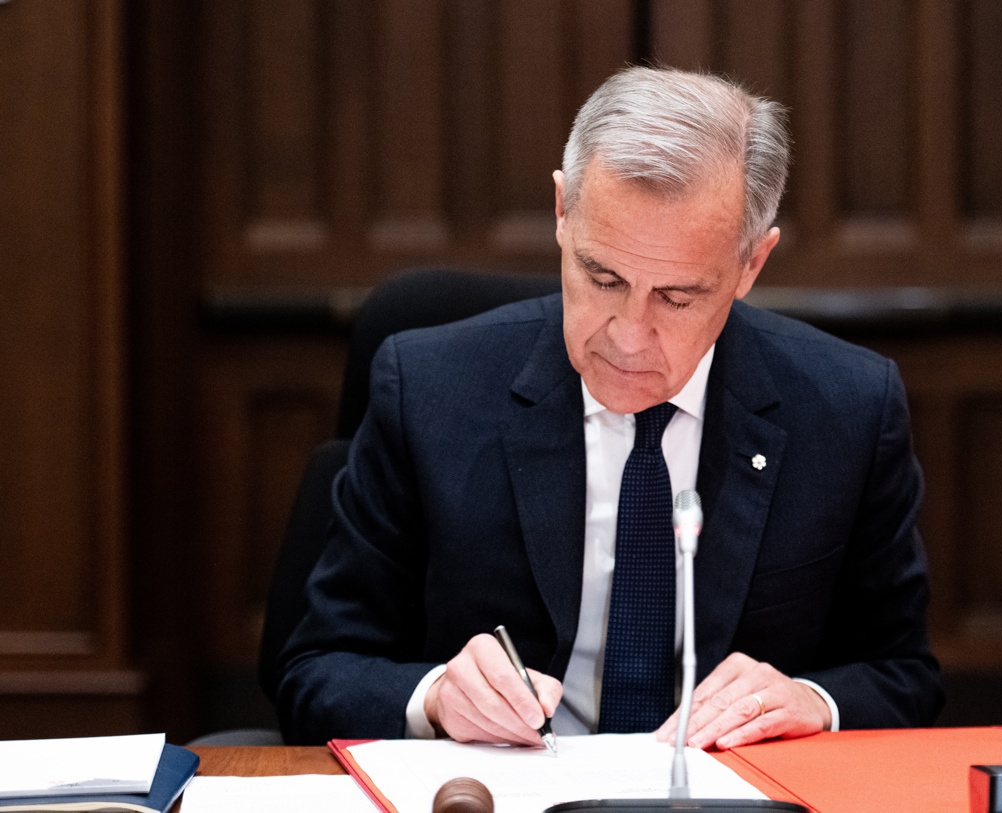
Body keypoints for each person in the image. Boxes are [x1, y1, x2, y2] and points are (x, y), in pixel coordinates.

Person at [277, 66, 943, 748]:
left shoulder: (848, 408)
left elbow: (904, 675)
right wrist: (436, 697)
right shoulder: (428, 388)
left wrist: (812, 701)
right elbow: (314, 669)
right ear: (562, 213)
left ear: (752, 264)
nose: (628, 335)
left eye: (676, 298)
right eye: (603, 278)